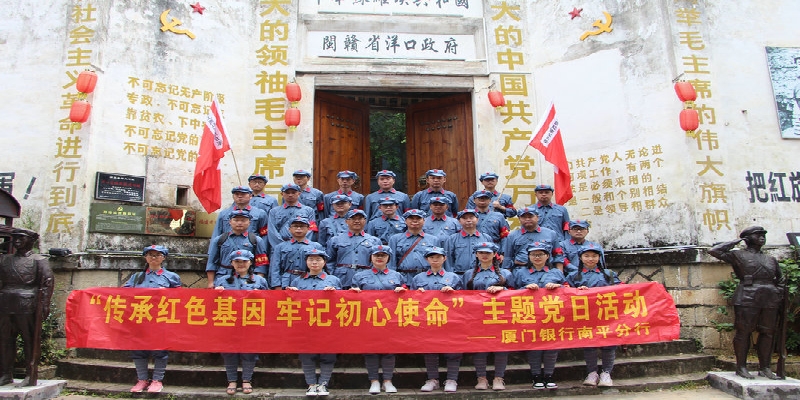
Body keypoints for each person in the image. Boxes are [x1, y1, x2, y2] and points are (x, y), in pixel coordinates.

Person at [708, 226, 784, 380]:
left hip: (769, 296)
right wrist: (736, 241)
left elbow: (780, 279)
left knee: (768, 332)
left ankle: (765, 367)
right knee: (744, 331)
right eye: (757, 235)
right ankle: (741, 367)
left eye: (763, 235)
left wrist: (778, 291)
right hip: (747, 295)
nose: (762, 237)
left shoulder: (770, 259)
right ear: (747, 238)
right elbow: (714, 251)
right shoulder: (738, 254)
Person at [124, 245, 182, 393]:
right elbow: (124, 294)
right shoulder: (136, 277)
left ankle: (157, 380)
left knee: (160, 350)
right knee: (138, 349)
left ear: (163, 258)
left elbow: (180, 298)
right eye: (150, 254)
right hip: (140, 318)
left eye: (157, 255)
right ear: (146, 257)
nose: (154, 257)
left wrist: (166, 294)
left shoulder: (171, 277)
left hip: (160, 319)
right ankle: (142, 379)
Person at [0, 229, 54, 388]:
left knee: (29, 340)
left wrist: (45, 304)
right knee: (5, 340)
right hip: (6, 302)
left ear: (31, 240)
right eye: (15, 238)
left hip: (27, 304)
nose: (17, 241)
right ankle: (5, 373)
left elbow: (48, 282)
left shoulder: (39, 260)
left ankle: (30, 375)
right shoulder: (5, 259)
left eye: (21, 238)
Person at [349, 245, 406, 394]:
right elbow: (350, 297)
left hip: (390, 319)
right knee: (370, 350)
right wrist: (353, 293)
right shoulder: (360, 276)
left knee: (389, 350)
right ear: (371, 257)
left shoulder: (397, 276)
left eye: (383, 255)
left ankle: (388, 380)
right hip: (368, 318)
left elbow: (408, 297)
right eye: (376, 255)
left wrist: (402, 291)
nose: (379, 258)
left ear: (388, 258)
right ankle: (373, 380)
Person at [286, 248, 342, 396]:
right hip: (306, 324)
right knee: (306, 355)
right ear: (306, 262)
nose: (314, 263)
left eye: (318, 260)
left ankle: (323, 384)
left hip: (327, 324)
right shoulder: (298, 281)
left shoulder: (333, 280)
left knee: (328, 355)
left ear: (324, 262)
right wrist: (291, 294)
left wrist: (334, 293)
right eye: (311, 259)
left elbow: (343, 303)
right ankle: (311, 384)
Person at [512, 242, 566, 390]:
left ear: (547, 256)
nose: (537, 257)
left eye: (541, 254)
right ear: (528, 256)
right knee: (533, 346)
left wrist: (558, 287)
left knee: (551, 345)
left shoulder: (556, 273)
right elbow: (510, 292)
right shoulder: (520, 273)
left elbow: (568, 291)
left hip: (551, 314)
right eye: (533, 254)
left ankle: (549, 375)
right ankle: (536, 376)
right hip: (530, 314)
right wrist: (525, 289)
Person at [213, 250, 268, 395]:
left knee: (249, 351)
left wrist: (260, 295)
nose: (241, 264)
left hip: (251, 321)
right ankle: (231, 380)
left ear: (250, 262)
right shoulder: (222, 280)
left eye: (244, 261)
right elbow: (212, 303)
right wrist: (216, 293)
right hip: (229, 321)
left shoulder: (260, 281)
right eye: (237, 261)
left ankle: (246, 380)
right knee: (229, 351)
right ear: (231, 263)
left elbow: (269, 302)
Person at [566, 244, 621, 387]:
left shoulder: (609, 274)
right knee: (589, 343)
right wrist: (577, 291)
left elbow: (621, 291)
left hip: (606, 314)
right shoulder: (573, 276)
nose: (590, 259)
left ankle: (606, 373)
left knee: (609, 343)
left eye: (594, 256)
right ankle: (592, 372)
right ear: (580, 258)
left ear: (599, 258)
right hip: (585, 315)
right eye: (587, 256)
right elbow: (565, 295)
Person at [410, 247, 464, 393]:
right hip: (427, 320)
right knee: (430, 349)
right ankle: (432, 379)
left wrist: (453, 292)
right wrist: (417, 294)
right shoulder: (418, 278)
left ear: (444, 258)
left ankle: (452, 379)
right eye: (431, 257)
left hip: (450, 319)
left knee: (453, 350)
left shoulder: (453, 277)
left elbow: (464, 299)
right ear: (427, 259)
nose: (435, 260)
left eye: (438, 257)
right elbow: (410, 301)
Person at [462, 242, 511, 391]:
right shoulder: (468, 274)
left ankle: (499, 378)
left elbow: (516, 294)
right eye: (481, 252)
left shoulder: (505, 273)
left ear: (494, 254)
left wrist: (502, 289)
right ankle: (481, 378)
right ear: (476, 254)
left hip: (499, 315)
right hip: (477, 316)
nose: (484, 255)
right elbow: (463, 295)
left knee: (501, 347)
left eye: (488, 253)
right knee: (479, 346)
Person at [206, 210, 269, 288]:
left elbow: (261, 263)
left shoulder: (256, 240)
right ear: (230, 222)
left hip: (248, 278)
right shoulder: (220, 239)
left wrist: (258, 281)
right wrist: (210, 282)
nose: (239, 223)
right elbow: (212, 262)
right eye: (236, 220)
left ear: (249, 222)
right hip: (224, 276)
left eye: (243, 220)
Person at [326, 210, 382, 288]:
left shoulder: (374, 241)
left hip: (366, 279)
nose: (356, 221)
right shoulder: (336, 240)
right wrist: (332, 278)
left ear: (365, 221)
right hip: (343, 278)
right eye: (353, 218)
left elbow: (379, 262)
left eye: (360, 218)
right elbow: (329, 262)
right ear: (346, 221)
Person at [268, 216, 323, 289]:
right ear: (289, 229)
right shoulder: (280, 247)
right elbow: (275, 267)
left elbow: (321, 267)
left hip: (308, 280)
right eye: (295, 226)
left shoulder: (316, 246)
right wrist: (277, 286)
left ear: (308, 229)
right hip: (286, 281)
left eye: (302, 226)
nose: (299, 228)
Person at [502, 206, 564, 271]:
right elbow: (508, 258)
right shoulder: (512, 236)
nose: (527, 219)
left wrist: (559, 273)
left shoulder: (551, 234)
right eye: (524, 217)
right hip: (521, 271)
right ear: (519, 219)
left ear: (537, 217)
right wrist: (507, 275)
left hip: (546, 271)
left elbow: (558, 255)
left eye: (530, 217)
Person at [388, 209, 441, 283]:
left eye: (418, 218)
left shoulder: (433, 240)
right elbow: (391, 262)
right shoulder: (395, 239)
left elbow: (439, 261)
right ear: (405, 221)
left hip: (426, 278)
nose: (415, 221)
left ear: (424, 221)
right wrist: (392, 279)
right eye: (411, 218)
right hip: (404, 278)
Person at [267, 183, 317, 248]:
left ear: (299, 194)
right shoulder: (274, 211)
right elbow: (272, 231)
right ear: (282, 194)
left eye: (293, 192)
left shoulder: (309, 210)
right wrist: (281, 246)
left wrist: (302, 243)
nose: (290, 195)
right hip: (281, 247)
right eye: (287, 193)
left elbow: (311, 229)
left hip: (302, 247)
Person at [443, 209, 489, 274]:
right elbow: (448, 260)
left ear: (477, 219)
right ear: (459, 221)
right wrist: (451, 275)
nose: (468, 220)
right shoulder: (452, 239)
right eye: (464, 218)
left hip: (480, 274)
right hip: (459, 275)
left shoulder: (486, 238)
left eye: (471, 217)